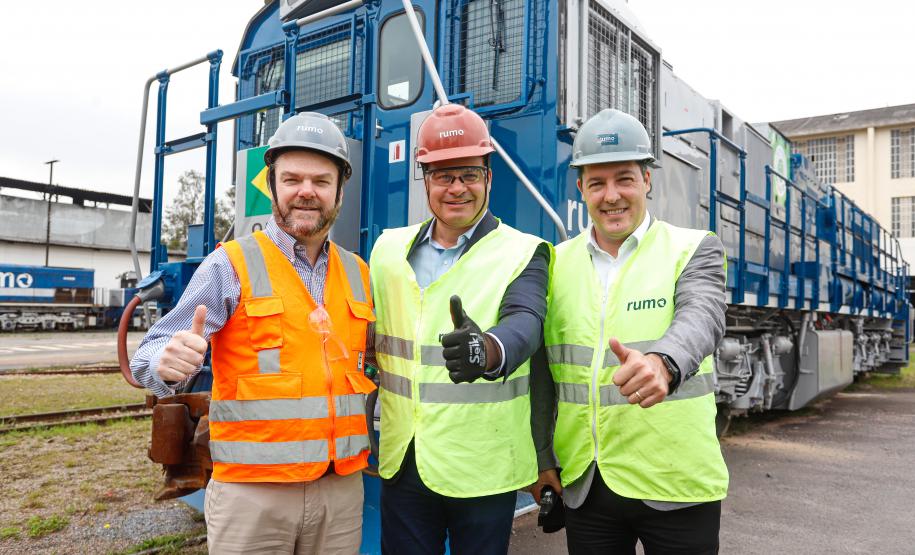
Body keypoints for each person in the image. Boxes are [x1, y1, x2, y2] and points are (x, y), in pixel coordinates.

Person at [130, 112, 376, 554]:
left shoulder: (360, 273)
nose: (306, 191)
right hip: (253, 495)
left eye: (321, 181)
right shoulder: (231, 264)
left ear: (340, 190)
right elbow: (148, 355)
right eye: (292, 179)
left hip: (340, 491)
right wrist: (167, 366)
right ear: (272, 185)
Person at [531, 108, 729, 554]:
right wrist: (543, 459)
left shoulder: (692, 247)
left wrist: (664, 363)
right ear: (580, 187)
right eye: (597, 183)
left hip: (675, 482)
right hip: (587, 483)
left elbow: (703, 315)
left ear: (647, 180)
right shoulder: (555, 262)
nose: (612, 195)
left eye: (624, 179)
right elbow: (544, 372)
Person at [369, 103, 552, 554]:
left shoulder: (524, 252)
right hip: (403, 461)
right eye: (443, 175)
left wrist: (488, 350)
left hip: (482, 467)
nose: (457, 188)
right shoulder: (387, 251)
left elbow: (525, 322)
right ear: (425, 180)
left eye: (469, 174)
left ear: (489, 177)